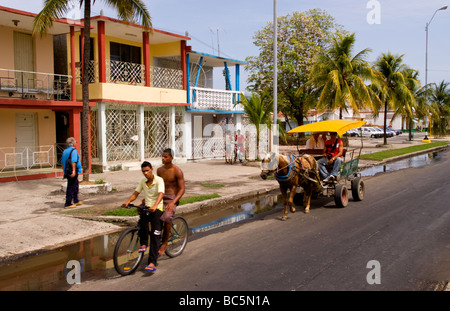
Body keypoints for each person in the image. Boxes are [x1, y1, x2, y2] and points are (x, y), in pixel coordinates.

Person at [123, 161, 165, 272]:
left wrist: (155, 205)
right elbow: (136, 193)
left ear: (152, 169)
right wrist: (128, 201)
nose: (145, 173)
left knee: (155, 235)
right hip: (147, 207)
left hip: (157, 209)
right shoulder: (143, 181)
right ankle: (144, 244)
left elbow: (161, 194)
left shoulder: (159, 180)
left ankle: (152, 262)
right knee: (142, 225)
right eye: (143, 171)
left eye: (147, 170)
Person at [157, 148, 185, 255]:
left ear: (171, 158)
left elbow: (182, 189)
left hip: (172, 198)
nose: (163, 158)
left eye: (165, 157)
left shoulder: (177, 171)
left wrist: (173, 202)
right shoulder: (159, 170)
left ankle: (164, 243)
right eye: (162, 156)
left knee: (167, 216)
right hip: (161, 196)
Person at [61, 137, 82, 209]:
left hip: (67, 171)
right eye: (75, 142)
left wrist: (64, 171)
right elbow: (73, 161)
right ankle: (68, 203)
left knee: (75, 185)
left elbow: (62, 163)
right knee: (71, 186)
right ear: (73, 143)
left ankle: (75, 200)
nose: (76, 143)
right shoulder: (74, 150)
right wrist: (73, 171)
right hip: (72, 171)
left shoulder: (65, 151)